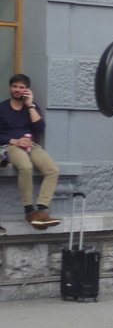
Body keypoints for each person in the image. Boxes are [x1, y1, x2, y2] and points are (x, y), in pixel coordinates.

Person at [0, 74, 61, 234]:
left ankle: (41, 210)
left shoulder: (31, 107)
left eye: (21, 87)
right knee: (25, 167)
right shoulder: (2, 107)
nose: (17, 90)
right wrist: (15, 141)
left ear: (27, 90)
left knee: (52, 169)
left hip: (30, 145)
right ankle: (28, 210)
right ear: (10, 88)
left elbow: (40, 128)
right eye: (15, 86)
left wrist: (30, 105)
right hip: (11, 145)